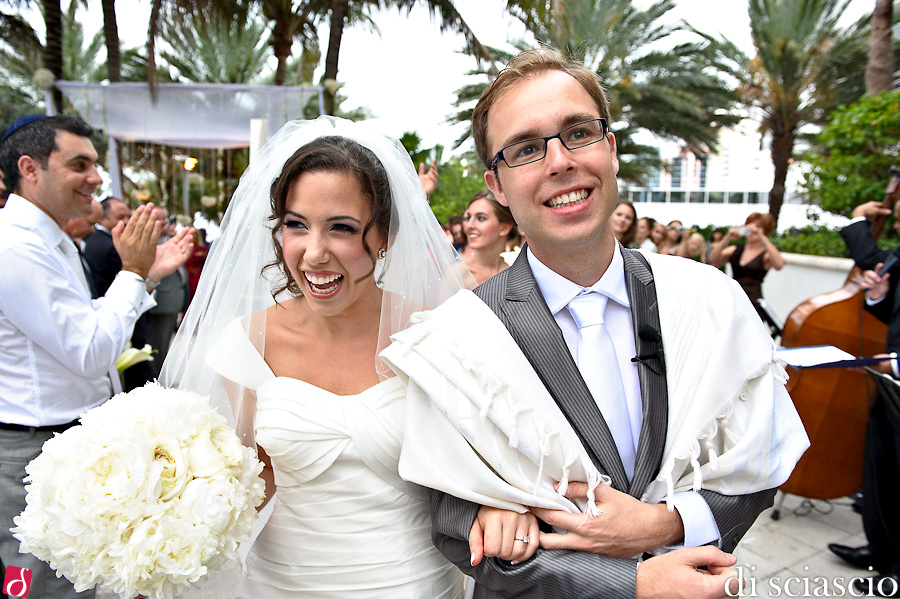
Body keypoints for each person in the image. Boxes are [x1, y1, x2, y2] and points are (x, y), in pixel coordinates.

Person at [384, 48, 808, 599]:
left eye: (578, 132)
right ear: (495, 184)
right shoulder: (456, 335)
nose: (559, 161)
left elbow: (759, 457)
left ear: (609, 148)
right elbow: (455, 520)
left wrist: (668, 524)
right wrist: (632, 583)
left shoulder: (710, 299)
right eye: (526, 148)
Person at [160, 116, 474, 597]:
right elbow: (246, 478)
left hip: (412, 581)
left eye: (342, 229)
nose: (313, 253)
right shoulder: (249, 342)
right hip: (283, 582)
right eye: (296, 226)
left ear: (385, 236)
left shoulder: (432, 332)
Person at [0, 114, 188, 599]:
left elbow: (84, 325)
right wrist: (133, 271)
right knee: (28, 578)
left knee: (75, 573)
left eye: (96, 165)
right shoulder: (15, 245)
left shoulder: (49, 238)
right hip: (31, 442)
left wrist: (144, 276)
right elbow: (89, 351)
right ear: (31, 168)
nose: (97, 178)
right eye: (80, 164)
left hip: (63, 434)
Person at [829, 199, 900, 597]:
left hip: (894, 372)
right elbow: (892, 311)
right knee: (881, 474)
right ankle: (882, 552)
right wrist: (879, 296)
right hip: (890, 389)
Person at [708, 212, 785, 322]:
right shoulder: (737, 249)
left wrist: (762, 237)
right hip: (733, 300)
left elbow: (779, 264)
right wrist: (727, 238)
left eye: (758, 227)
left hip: (753, 303)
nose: (753, 230)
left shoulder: (765, 254)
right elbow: (714, 259)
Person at [461, 190, 518, 284]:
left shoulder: (517, 276)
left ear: (504, 228)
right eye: (468, 218)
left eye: (481, 218)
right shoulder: (459, 274)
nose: (469, 225)